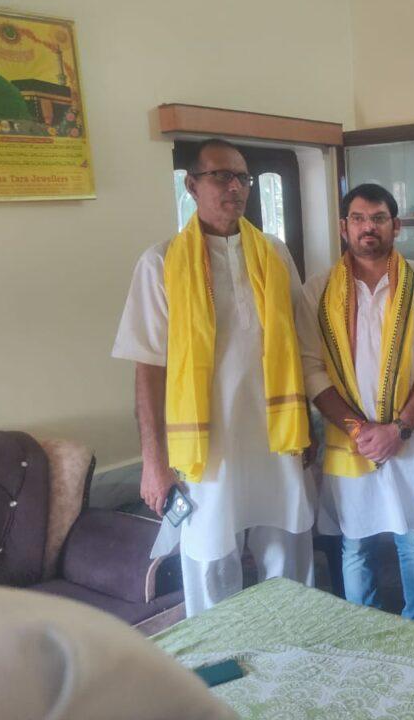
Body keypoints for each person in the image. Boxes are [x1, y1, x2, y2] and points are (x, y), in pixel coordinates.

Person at [113, 138, 316, 617]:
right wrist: (153, 461)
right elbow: (148, 369)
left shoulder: (274, 254)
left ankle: (296, 641)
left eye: (242, 177)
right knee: (210, 558)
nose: (235, 187)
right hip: (208, 447)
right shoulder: (161, 262)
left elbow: (299, 344)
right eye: (221, 176)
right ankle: (217, 652)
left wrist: (309, 425)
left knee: (287, 545)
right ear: (191, 185)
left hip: (275, 436)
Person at [301, 182, 414, 622]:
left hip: (411, 436)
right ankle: (363, 635)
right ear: (343, 227)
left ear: (396, 226)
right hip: (352, 441)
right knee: (356, 542)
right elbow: (311, 367)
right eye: (359, 219)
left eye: (379, 219)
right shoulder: (318, 290)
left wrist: (398, 429)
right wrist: (360, 430)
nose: (369, 227)